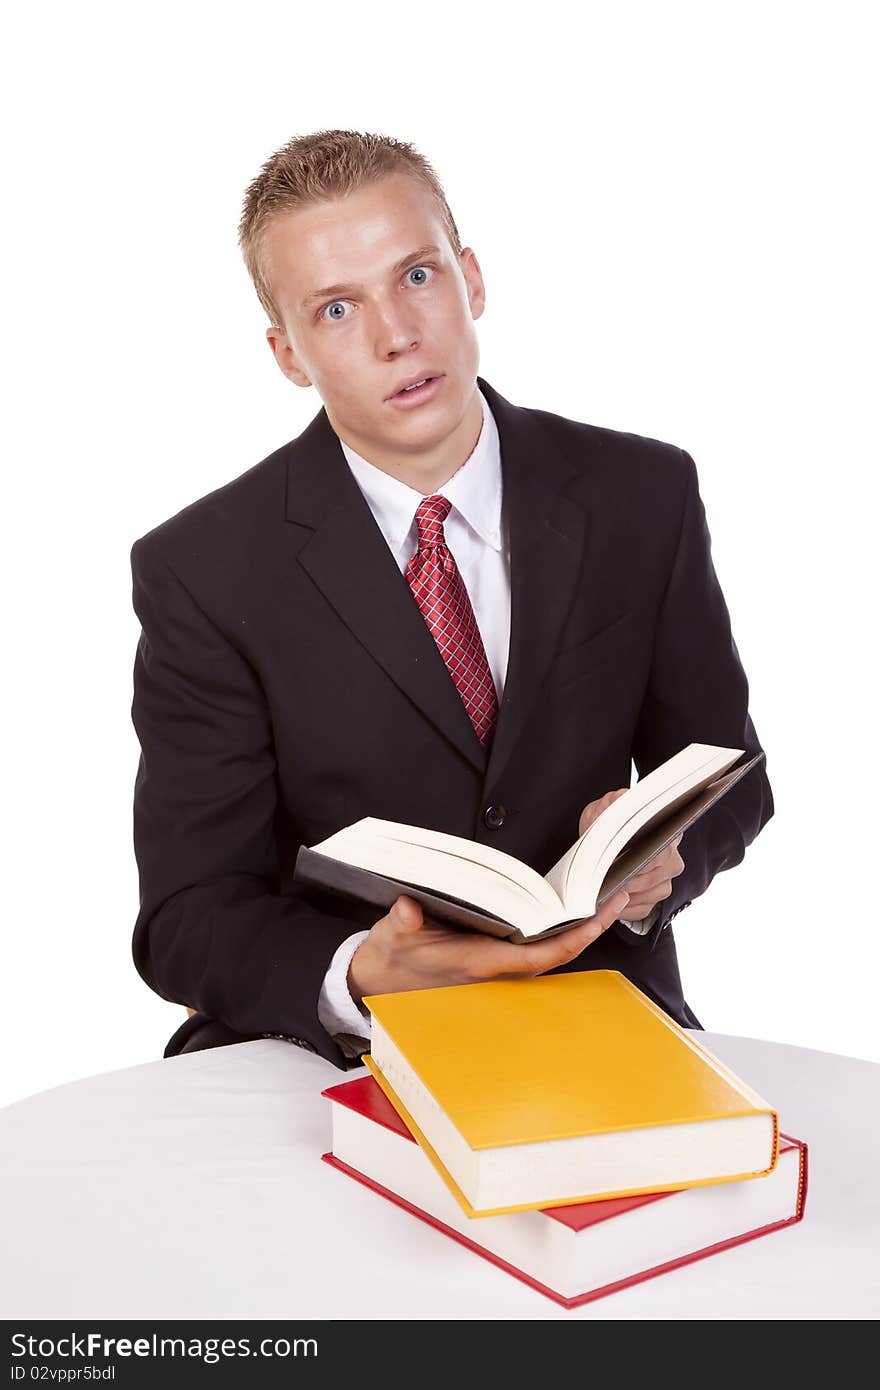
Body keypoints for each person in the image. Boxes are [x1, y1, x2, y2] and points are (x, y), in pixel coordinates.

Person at [129, 129, 774, 1068]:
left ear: (471, 279)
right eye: (339, 308)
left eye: (418, 277)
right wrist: (357, 970)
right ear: (288, 353)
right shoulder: (203, 568)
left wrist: (658, 868)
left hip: (597, 1007)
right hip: (332, 1045)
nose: (398, 335)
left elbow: (728, 772)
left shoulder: (644, 493)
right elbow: (187, 913)